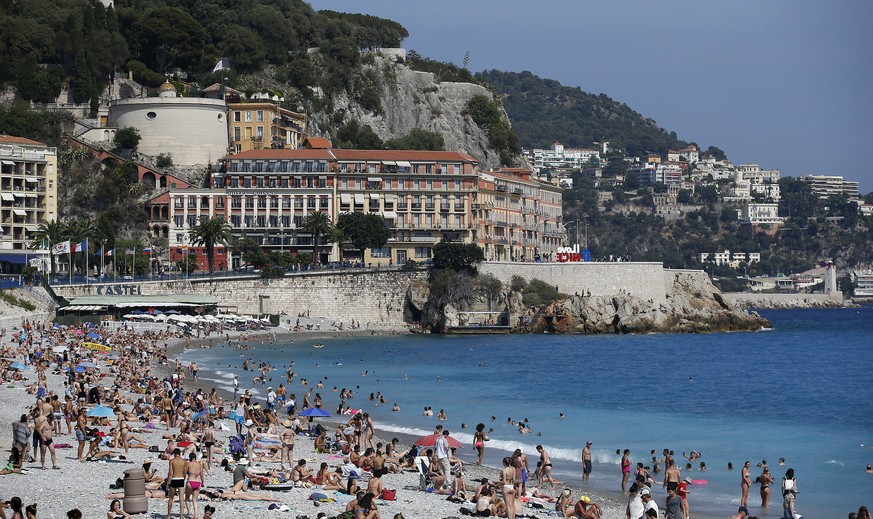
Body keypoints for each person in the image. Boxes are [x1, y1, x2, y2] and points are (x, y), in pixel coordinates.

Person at [167, 448, 187, 519]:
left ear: (174, 454)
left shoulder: (172, 461)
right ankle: (181, 516)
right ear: (180, 453)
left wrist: (168, 483)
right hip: (181, 479)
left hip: (174, 479)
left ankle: (169, 515)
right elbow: (185, 473)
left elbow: (170, 473)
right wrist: (183, 478)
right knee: (181, 499)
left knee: (171, 498)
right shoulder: (184, 461)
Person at [184, 452, 204, 519]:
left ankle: (189, 512)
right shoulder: (199, 464)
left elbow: (184, 473)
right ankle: (196, 515)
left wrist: (183, 480)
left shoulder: (188, 464)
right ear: (195, 458)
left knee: (187, 498)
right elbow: (201, 474)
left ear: (190, 458)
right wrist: (203, 482)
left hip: (190, 482)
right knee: (195, 500)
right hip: (198, 483)